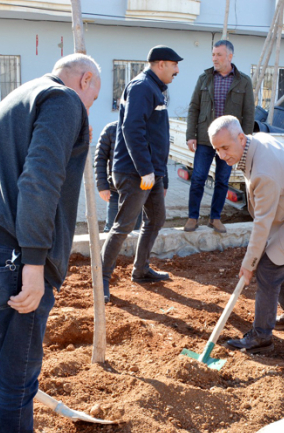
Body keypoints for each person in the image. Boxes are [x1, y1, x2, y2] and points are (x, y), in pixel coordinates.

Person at [0, 53, 100, 433]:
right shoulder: (63, 100)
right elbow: (41, 178)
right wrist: (34, 262)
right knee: (18, 374)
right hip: (10, 256)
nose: (88, 111)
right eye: (93, 99)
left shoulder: (16, 97)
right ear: (85, 80)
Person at [207, 116, 284, 352]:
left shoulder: (264, 171)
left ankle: (261, 337)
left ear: (241, 138)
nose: (222, 155)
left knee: (267, 269)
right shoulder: (256, 143)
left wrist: (249, 263)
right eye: (217, 149)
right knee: (276, 261)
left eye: (225, 147)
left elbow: (262, 223)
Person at [100, 45, 181, 302]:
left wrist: (160, 175)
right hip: (134, 171)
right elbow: (132, 129)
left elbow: (156, 136)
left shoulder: (156, 89)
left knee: (156, 220)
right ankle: (101, 279)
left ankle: (141, 269)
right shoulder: (142, 87)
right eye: (174, 65)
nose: (177, 70)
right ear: (160, 64)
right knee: (123, 226)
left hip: (151, 172)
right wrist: (145, 169)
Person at [184, 40, 254, 234]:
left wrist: (245, 139)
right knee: (198, 178)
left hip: (230, 142)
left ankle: (215, 218)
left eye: (219, 55)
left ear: (230, 57)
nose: (214, 58)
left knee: (223, 180)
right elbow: (194, 108)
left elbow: (249, 113)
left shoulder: (244, 81)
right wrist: (191, 135)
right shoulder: (204, 78)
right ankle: (193, 217)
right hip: (206, 140)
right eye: (213, 54)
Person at [93, 120, 146, 233]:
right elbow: (100, 159)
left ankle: (130, 251)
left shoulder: (145, 129)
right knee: (111, 229)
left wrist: (162, 184)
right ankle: (108, 251)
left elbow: (157, 158)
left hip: (137, 192)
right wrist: (102, 186)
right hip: (115, 191)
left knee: (134, 230)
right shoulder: (110, 129)